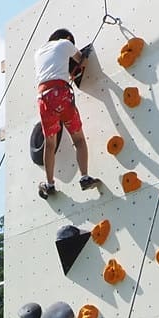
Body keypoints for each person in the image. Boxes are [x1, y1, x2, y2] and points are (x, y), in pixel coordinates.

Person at [33, 28, 96, 200]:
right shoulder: (65, 43)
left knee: (50, 144)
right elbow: (81, 61)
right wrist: (85, 56)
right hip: (61, 93)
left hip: (43, 97)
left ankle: (49, 184)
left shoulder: (38, 52)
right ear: (67, 38)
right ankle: (84, 177)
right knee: (79, 139)